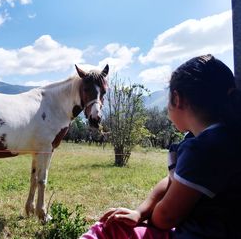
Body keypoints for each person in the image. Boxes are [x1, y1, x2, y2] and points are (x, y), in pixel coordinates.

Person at [80, 54, 241, 239]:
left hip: (194, 234)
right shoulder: (219, 137)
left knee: (108, 230)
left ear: (176, 98)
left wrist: (148, 218)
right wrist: (140, 212)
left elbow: (166, 217)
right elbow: (172, 181)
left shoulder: (203, 149)